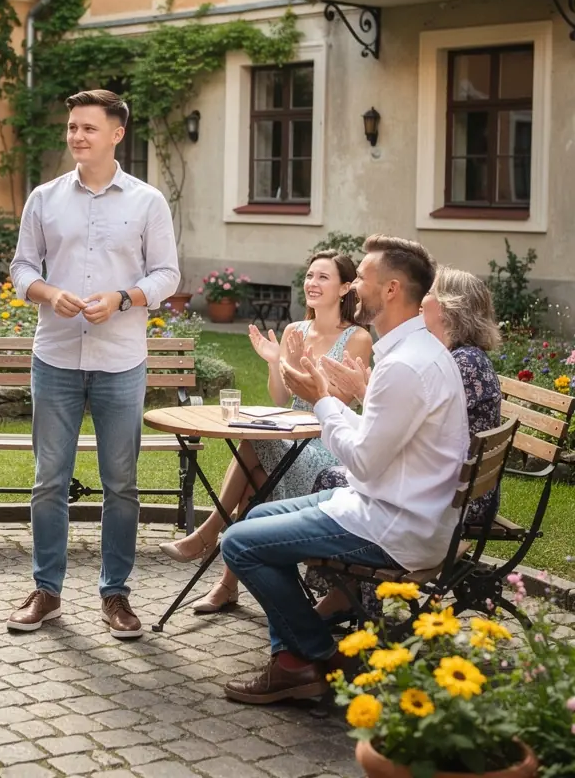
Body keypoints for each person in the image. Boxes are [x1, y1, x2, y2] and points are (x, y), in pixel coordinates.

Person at [220, 235, 470, 705]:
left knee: (238, 543)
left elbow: (362, 460)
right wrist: (343, 401)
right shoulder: (416, 352)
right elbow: (380, 445)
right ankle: (292, 664)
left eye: (363, 277)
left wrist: (324, 402)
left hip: (393, 525)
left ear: (392, 289)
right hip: (391, 504)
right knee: (254, 522)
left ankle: (319, 657)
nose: (354, 284)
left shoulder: (405, 365)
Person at [7, 89, 180, 639]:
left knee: (122, 484)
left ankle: (116, 595)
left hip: (120, 361)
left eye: (88, 128)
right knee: (47, 481)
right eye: (72, 127)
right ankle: (47, 592)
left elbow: (168, 275)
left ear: (116, 134)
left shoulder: (148, 201)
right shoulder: (44, 197)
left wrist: (124, 299)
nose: (77, 136)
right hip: (54, 357)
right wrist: (45, 293)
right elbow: (20, 268)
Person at [159, 250, 371, 613]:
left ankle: (210, 537)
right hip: (288, 437)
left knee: (253, 446)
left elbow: (341, 400)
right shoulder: (294, 330)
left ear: (345, 288)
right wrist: (276, 362)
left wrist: (307, 370)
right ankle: (224, 579)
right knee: (255, 470)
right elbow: (279, 396)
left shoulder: (358, 338)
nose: (313, 284)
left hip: (328, 448)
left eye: (323, 277)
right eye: (309, 276)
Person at [311, 265, 503, 619]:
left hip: (451, 497)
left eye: (429, 294)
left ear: (447, 307)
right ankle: (345, 597)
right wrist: (366, 391)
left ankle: (353, 604)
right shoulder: (457, 357)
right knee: (343, 477)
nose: (421, 301)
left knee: (335, 477)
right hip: (457, 483)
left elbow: (413, 429)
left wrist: (360, 392)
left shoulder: (460, 363)